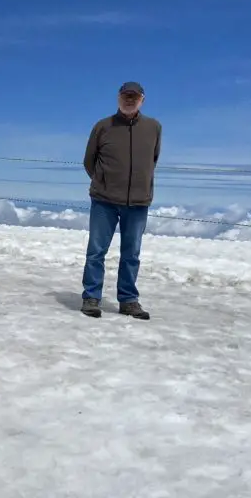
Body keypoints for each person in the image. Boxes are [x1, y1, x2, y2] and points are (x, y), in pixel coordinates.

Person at [79, 81, 161, 321]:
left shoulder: (154, 127)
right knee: (96, 251)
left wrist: (140, 185)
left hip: (137, 203)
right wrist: (103, 182)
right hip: (104, 201)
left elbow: (152, 160)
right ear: (118, 98)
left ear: (142, 100)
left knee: (131, 253)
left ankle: (128, 300)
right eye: (125, 96)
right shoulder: (103, 127)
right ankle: (91, 297)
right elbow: (88, 161)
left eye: (134, 97)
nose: (129, 100)